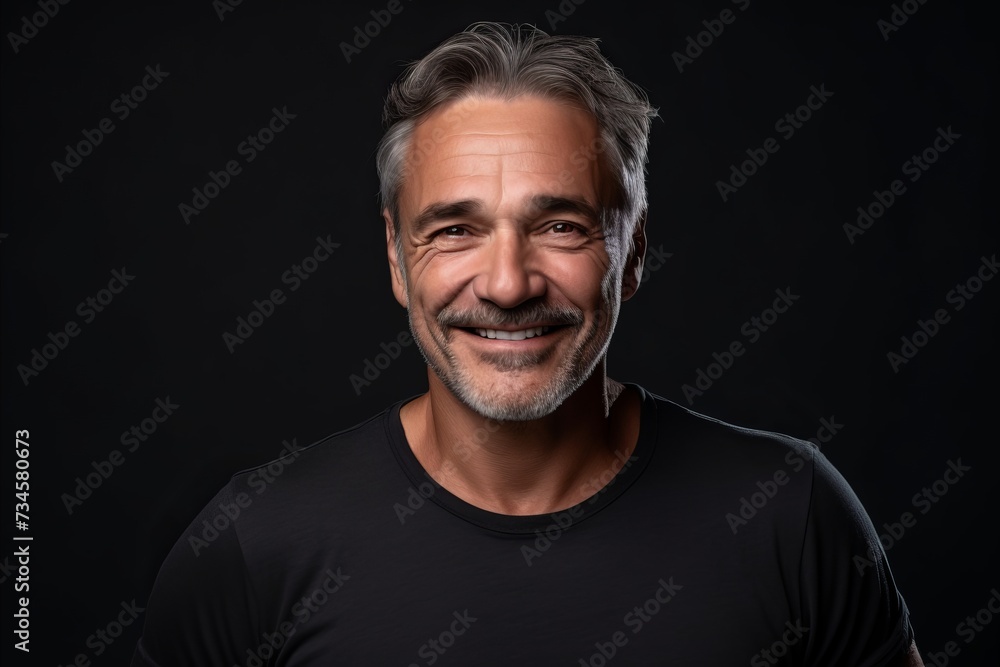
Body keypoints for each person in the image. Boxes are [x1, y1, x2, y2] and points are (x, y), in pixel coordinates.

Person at [131, 22, 923, 666]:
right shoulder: (255, 543)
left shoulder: (790, 512)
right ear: (396, 258)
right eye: (455, 230)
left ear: (634, 251)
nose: (508, 284)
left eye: (561, 226)